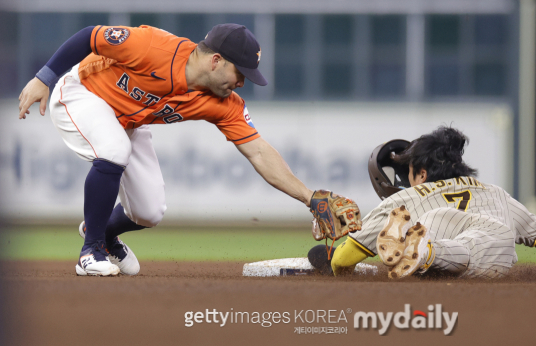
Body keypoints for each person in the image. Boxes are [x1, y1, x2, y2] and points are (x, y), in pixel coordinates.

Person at [18, 23, 354, 276]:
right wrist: (43, 78)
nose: (241, 82)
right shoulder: (152, 47)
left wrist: (309, 198)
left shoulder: (223, 103)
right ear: (216, 60)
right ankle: (90, 251)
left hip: (128, 121)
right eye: (240, 73)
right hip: (81, 93)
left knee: (149, 211)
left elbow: (259, 152)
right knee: (114, 149)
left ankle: (102, 232)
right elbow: (90, 36)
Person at [325, 126, 536, 279]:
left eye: (409, 172)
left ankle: (426, 252)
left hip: (450, 239)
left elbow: (341, 260)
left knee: (433, 224)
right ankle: (425, 251)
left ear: (421, 175)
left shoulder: (406, 199)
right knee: (464, 246)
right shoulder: (496, 193)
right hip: (499, 251)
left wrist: (343, 272)